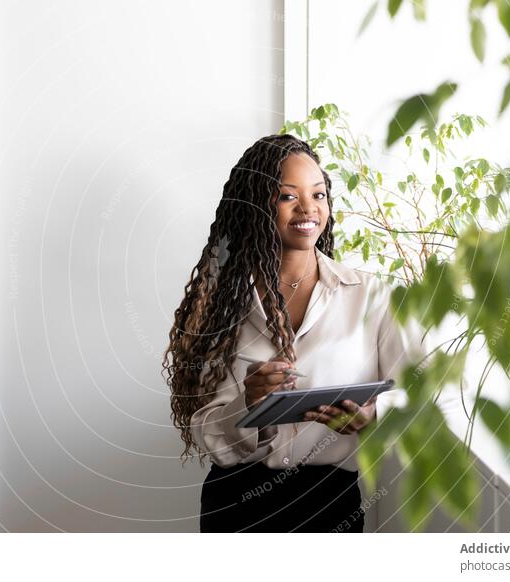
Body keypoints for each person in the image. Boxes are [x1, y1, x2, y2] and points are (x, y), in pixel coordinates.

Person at [162, 133, 423, 532]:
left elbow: (422, 391)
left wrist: (374, 414)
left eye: (319, 195)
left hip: (331, 503)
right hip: (236, 504)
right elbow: (205, 433)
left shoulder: (372, 296)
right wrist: (248, 407)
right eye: (287, 196)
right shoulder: (220, 303)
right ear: (256, 206)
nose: (308, 208)